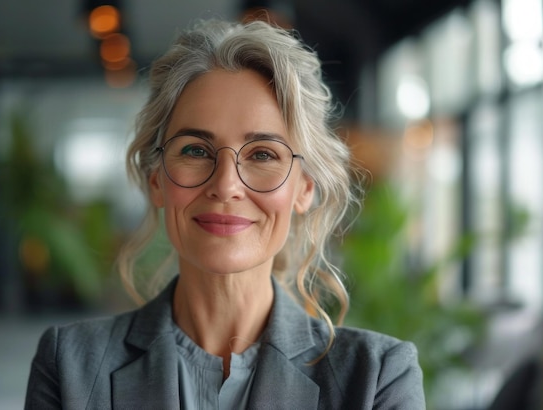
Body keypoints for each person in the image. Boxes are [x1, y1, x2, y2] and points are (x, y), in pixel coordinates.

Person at [25, 18, 425, 409]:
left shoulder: (377, 378)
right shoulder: (68, 366)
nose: (226, 185)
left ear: (304, 189)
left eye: (263, 154)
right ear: (156, 180)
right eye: (196, 150)